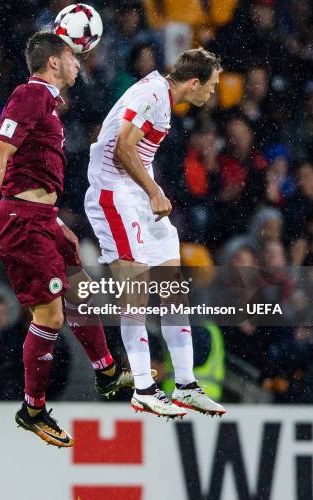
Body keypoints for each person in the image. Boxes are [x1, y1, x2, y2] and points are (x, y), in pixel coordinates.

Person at [0, 32, 138, 448]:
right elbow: (0, 152)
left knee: (81, 292)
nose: (79, 62)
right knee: (49, 318)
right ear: (52, 62)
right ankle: (32, 410)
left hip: (42, 218)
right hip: (21, 219)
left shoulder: (49, 104)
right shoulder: (29, 95)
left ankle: (105, 371)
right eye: (72, 55)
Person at [85, 48, 226, 417]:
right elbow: (121, 148)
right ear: (193, 83)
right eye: (210, 86)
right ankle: (145, 388)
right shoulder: (151, 96)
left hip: (135, 192)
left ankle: (184, 384)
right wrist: (154, 190)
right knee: (136, 292)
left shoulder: (161, 95)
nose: (212, 93)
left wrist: (149, 190)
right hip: (114, 194)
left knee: (172, 287)